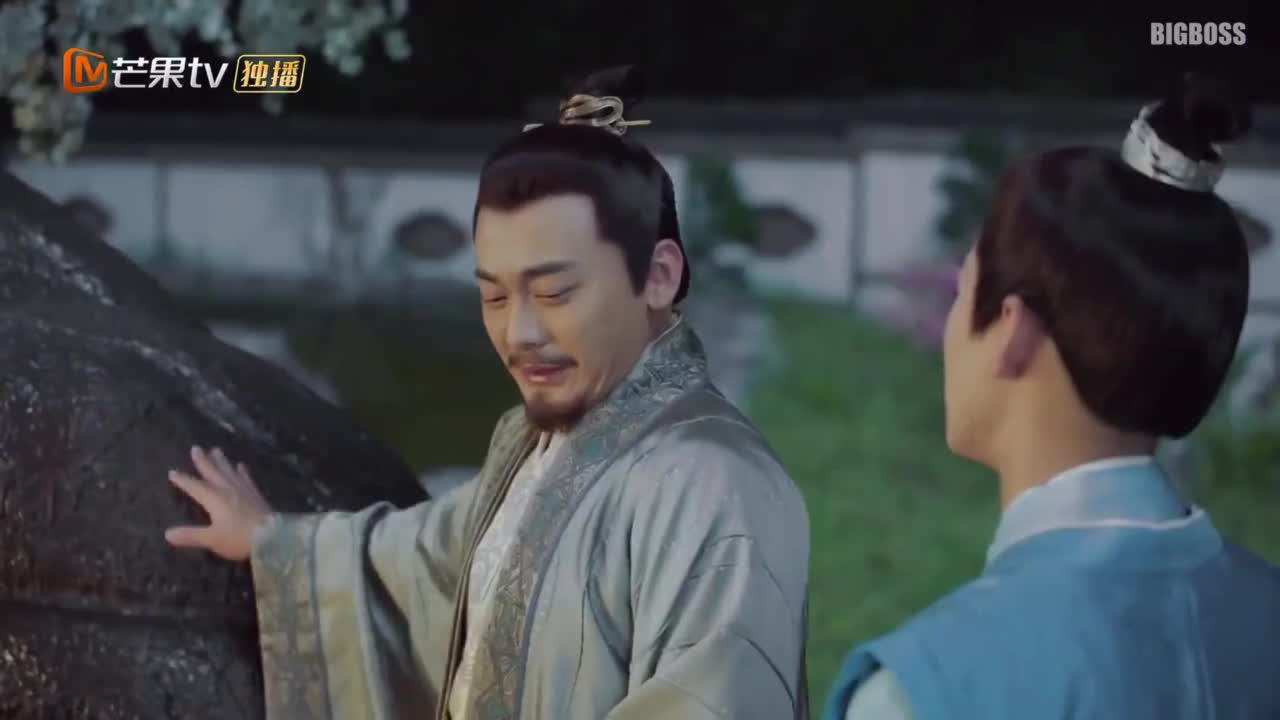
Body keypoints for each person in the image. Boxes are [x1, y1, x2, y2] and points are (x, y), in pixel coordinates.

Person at [164, 65, 811, 720]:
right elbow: (428, 555)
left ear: (659, 275)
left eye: (555, 292)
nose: (519, 333)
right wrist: (279, 546)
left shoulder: (715, 483)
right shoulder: (535, 443)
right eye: (494, 296)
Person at [823, 73, 1280, 720]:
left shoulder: (929, 690)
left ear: (1013, 331)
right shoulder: (1264, 614)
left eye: (961, 293)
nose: (950, 329)